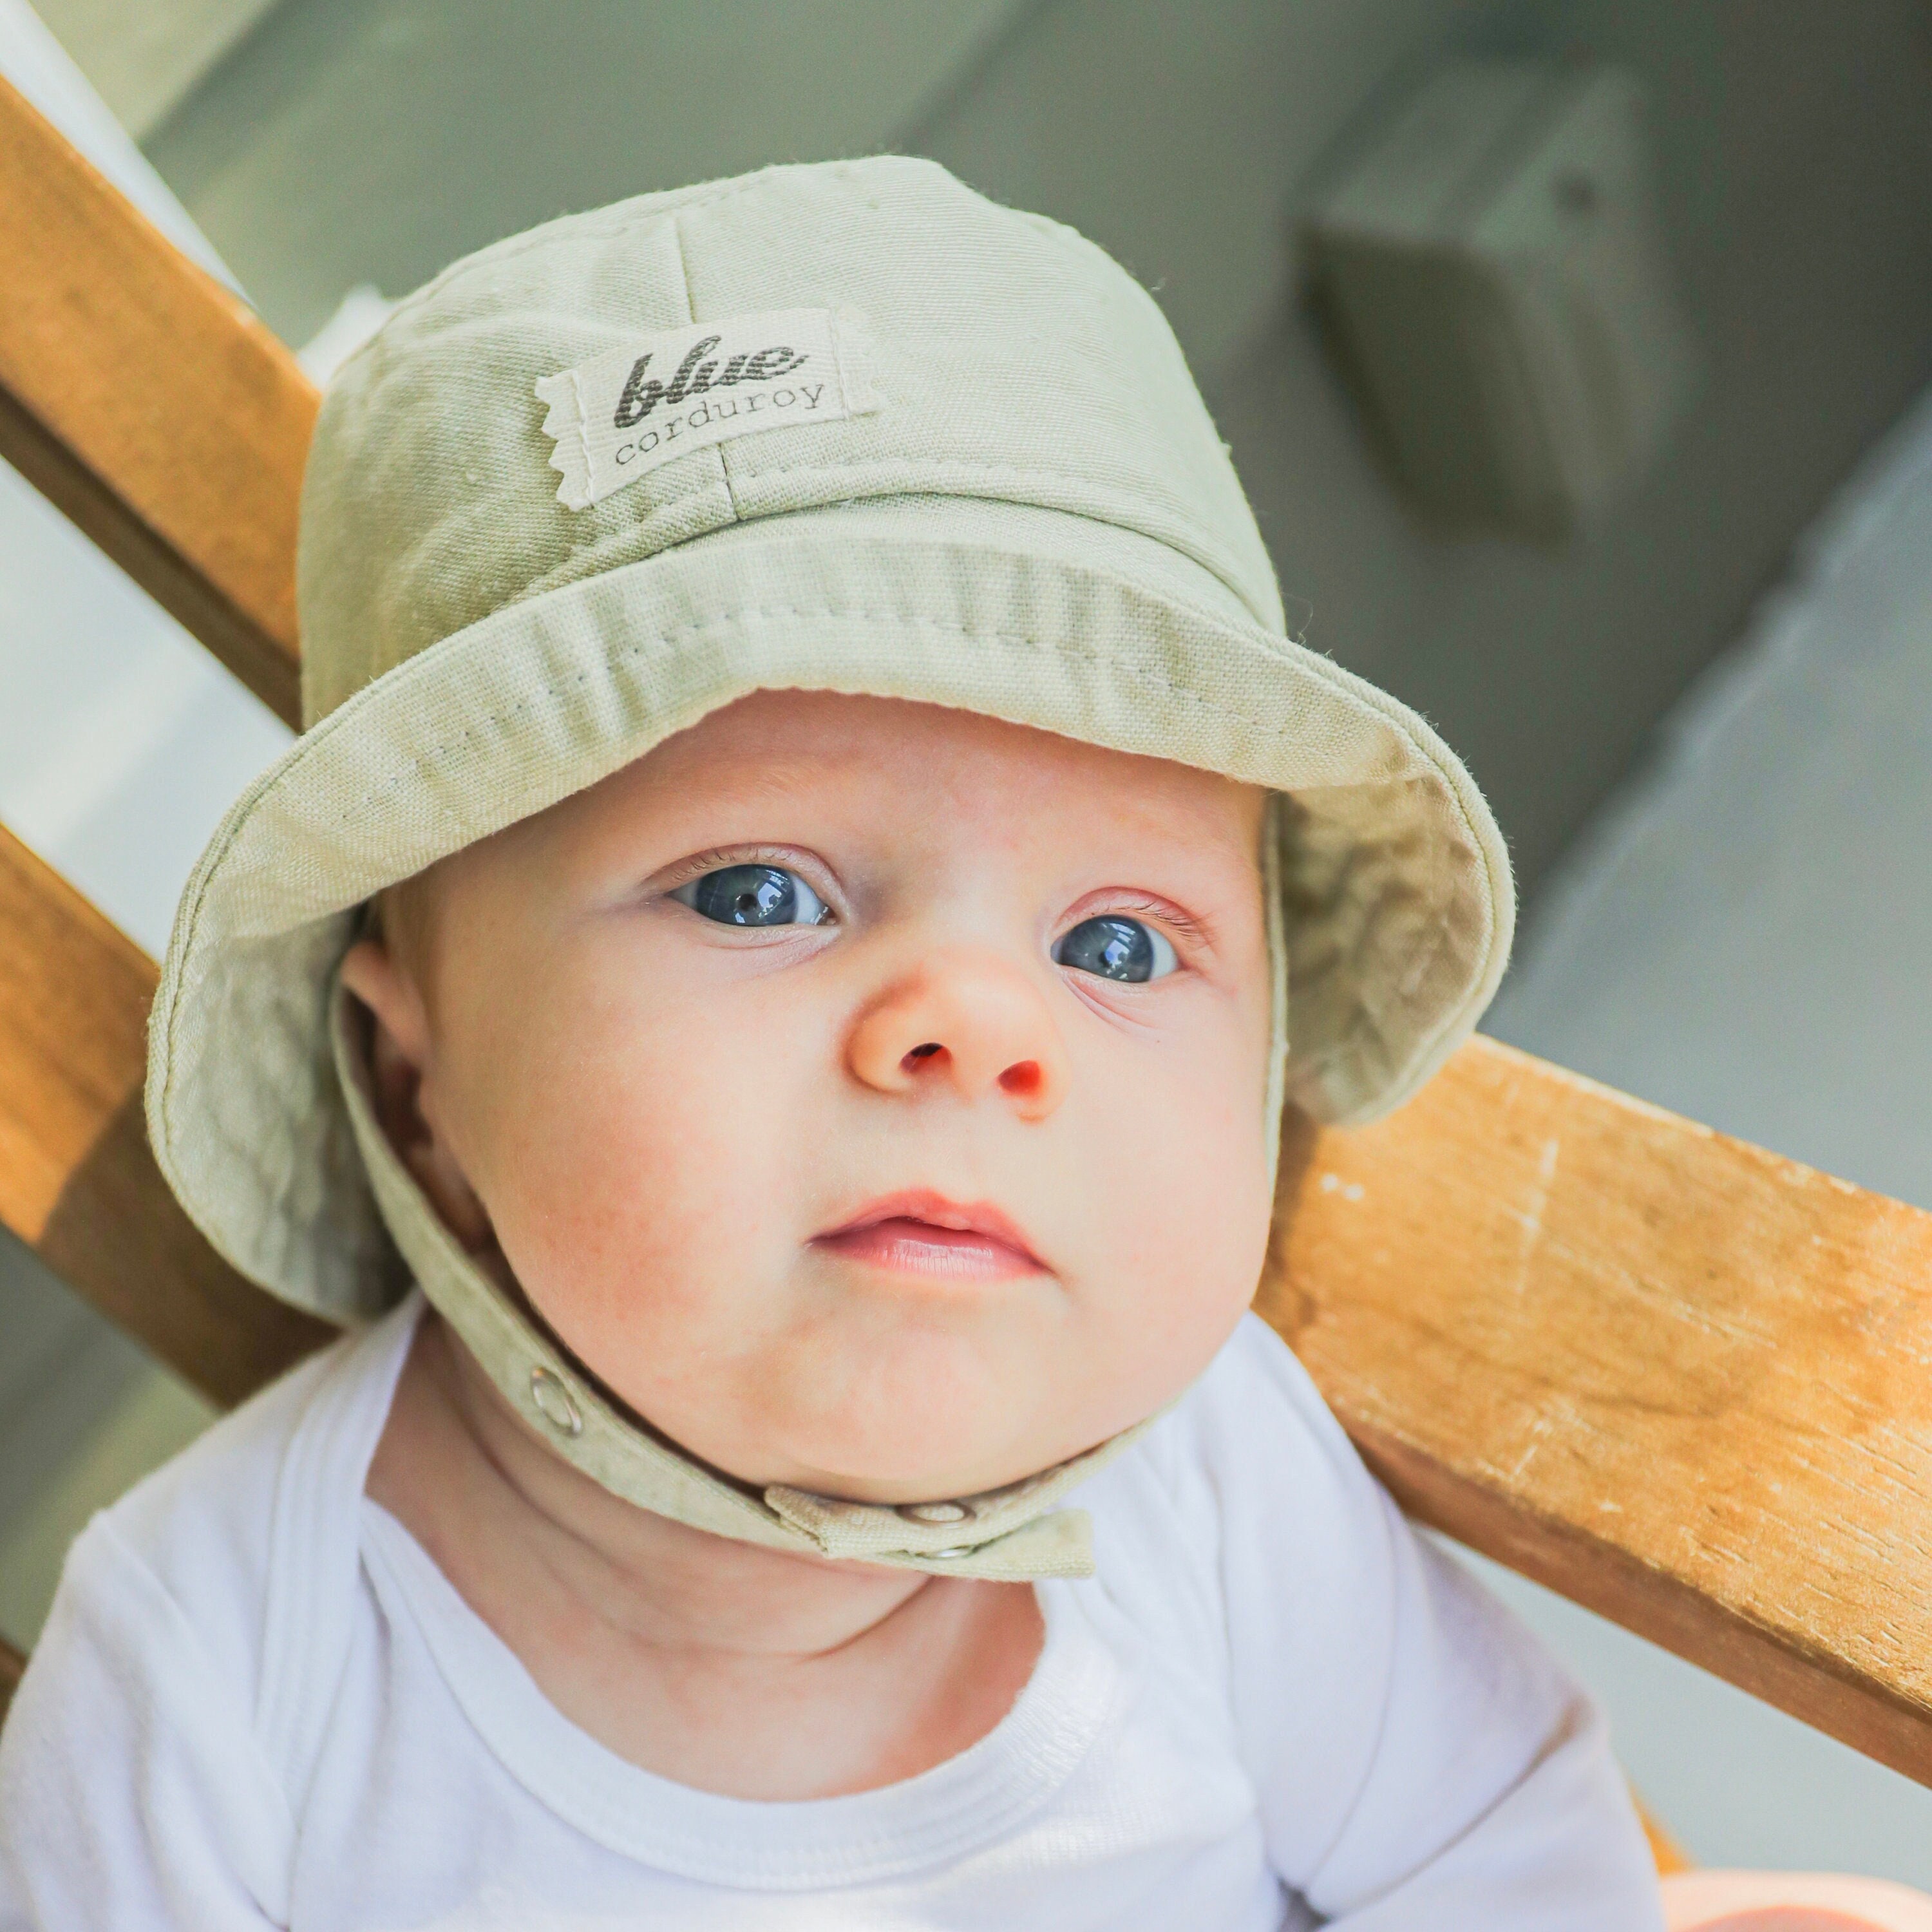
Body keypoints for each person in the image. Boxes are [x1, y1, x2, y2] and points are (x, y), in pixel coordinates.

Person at [0, 155, 1916, 1929]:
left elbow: (1493, 1849)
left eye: (1113, 940)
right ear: (418, 1087)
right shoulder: (219, 1675)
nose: (976, 1030)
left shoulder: (1207, 1480)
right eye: (760, 895)